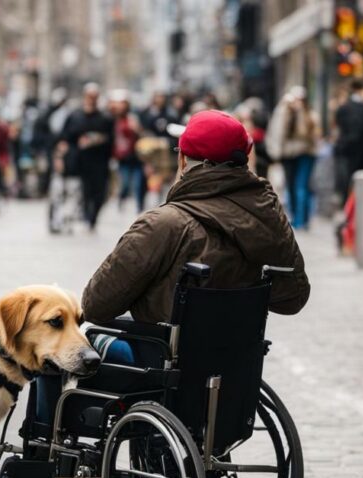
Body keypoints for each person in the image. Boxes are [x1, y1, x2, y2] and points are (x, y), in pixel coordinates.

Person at [33, 110, 311, 426]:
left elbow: (96, 304)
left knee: (61, 348)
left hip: (163, 366)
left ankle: (45, 446)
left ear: (183, 162)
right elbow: (293, 297)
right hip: (234, 366)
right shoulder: (269, 218)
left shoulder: (165, 224)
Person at [60, 83, 114, 231]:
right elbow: (65, 137)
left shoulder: (105, 118)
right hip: (80, 161)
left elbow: (111, 140)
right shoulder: (75, 116)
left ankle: (93, 218)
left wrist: (97, 140)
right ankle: (85, 216)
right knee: (83, 191)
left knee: (99, 193)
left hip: (100, 162)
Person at [267, 87, 320, 229]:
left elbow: (311, 135)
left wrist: (299, 112)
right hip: (289, 155)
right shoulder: (285, 112)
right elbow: (277, 132)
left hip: (305, 154)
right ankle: (299, 218)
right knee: (292, 186)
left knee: (301, 186)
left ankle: (301, 219)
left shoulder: (309, 115)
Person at [333, 79, 363, 204]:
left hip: (346, 151)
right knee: (361, 185)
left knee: (346, 183)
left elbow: (337, 128)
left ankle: (347, 210)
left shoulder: (342, 109)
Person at [109, 90, 147, 213]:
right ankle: (122, 199)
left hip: (135, 156)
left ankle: (140, 206)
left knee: (138, 183)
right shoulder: (112, 119)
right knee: (124, 183)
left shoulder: (133, 117)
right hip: (121, 157)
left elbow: (143, 134)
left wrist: (137, 129)